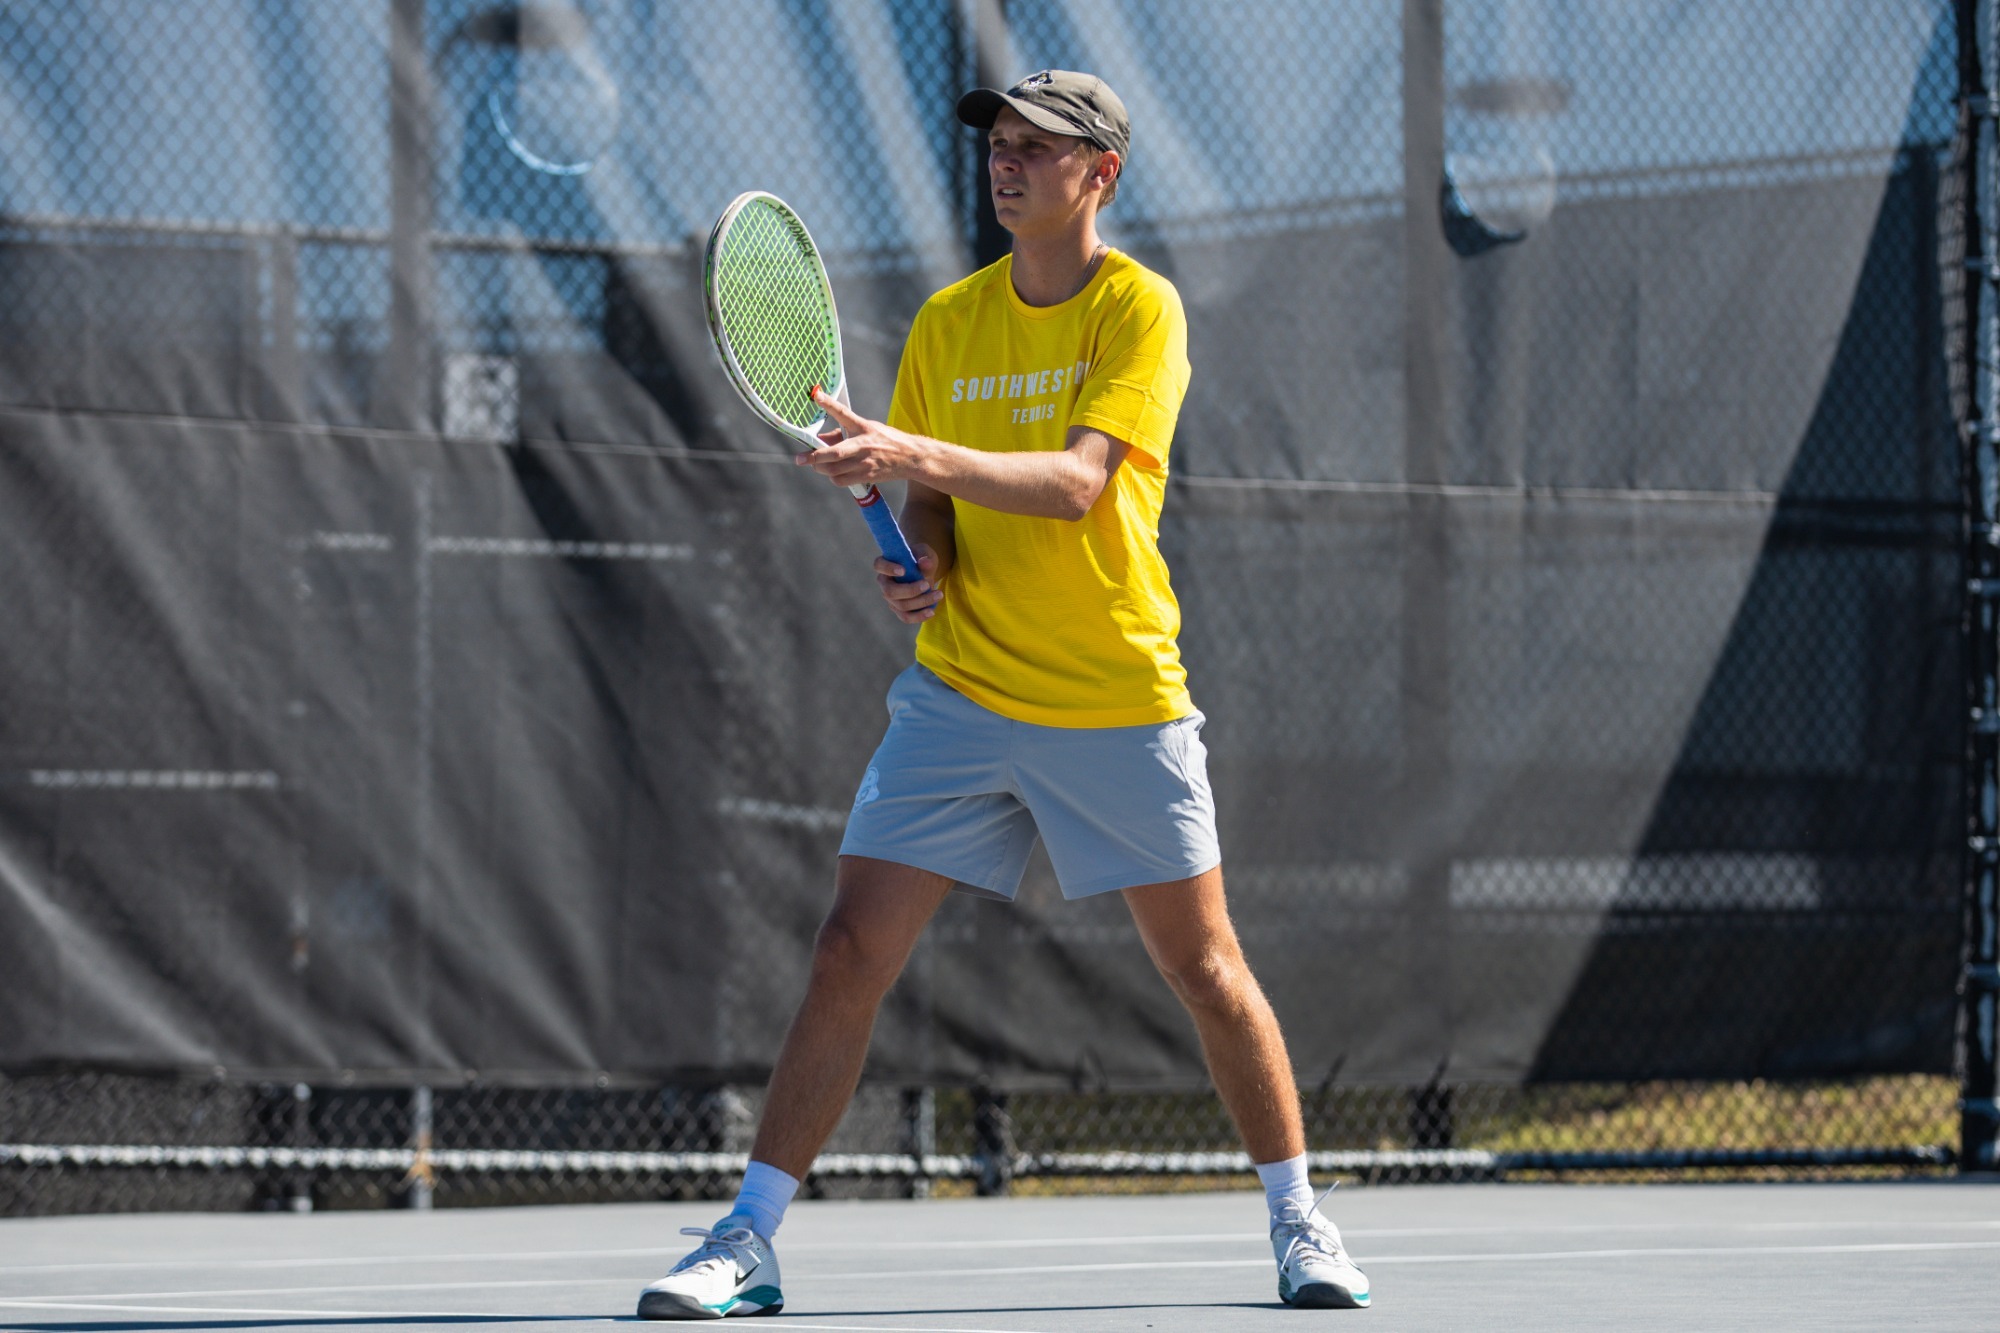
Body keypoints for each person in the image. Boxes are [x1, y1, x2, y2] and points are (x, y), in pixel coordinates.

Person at [638, 70, 1369, 1320]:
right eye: (999, 145)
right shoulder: (947, 323)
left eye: (1038, 148)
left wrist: (908, 449)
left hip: (1111, 692)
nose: (1007, 163)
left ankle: (1300, 1220)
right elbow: (933, 514)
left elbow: (1081, 484)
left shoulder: (1140, 310)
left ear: (1101, 177)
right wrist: (917, 564)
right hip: (961, 692)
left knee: (1202, 964)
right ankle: (747, 1238)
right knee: (848, 948)